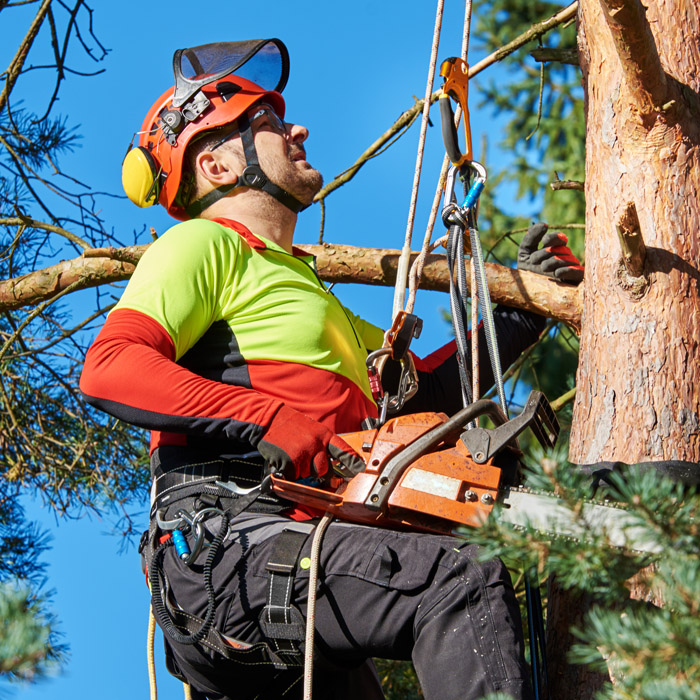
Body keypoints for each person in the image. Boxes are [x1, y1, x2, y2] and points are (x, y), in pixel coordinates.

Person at [80, 39, 583, 700]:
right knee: (454, 578)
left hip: (300, 562)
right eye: (269, 123)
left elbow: (422, 396)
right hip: (229, 547)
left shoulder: (308, 297)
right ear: (219, 163)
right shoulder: (204, 245)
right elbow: (111, 367)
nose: (299, 129)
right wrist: (264, 416)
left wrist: (517, 318)